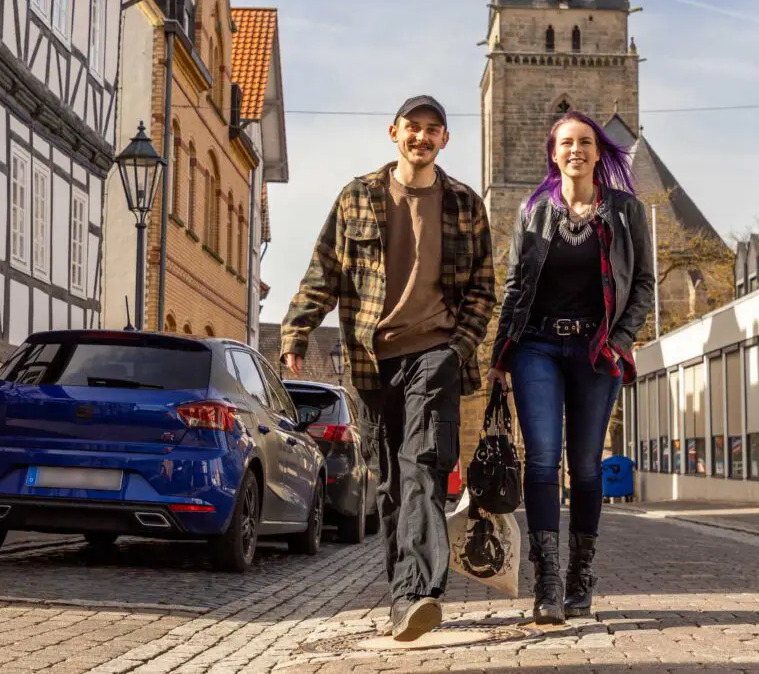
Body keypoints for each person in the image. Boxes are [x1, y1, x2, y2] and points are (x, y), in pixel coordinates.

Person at [280, 95, 495, 641]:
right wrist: (295, 333)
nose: (422, 138)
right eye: (413, 128)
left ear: (445, 140)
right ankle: (403, 597)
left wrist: (457, 350)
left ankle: (418, 593)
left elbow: (482, 290)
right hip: (372, 360)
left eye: (433, 130)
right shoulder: (357, 198)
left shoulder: (466, 204)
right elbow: (323, 271)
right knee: (393, 483)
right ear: (393, 132)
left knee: (424, 466)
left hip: (437, 355)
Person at [488, 111, 654, 625]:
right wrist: (500, 355)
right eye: (566, 142)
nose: (576, 149)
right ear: (554, 153)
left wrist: (621, 341)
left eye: (585, 141)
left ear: (599, 151)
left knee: (584, 467)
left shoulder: (626, 211)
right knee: (541, 459)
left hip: (597, 351)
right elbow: (516, 286)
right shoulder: (533, 211)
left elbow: (643, 284)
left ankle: (581, 575)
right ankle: (549, 582)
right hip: (537, 346)